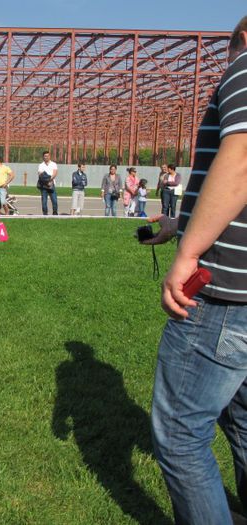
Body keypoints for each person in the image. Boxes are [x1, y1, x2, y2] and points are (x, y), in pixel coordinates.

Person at [150, 18, 247, 525]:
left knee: (181, 436)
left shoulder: (246, 64)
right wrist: (178, 224)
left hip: (223, 296)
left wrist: (188, 253)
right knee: (246, 423)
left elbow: (243, 160)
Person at [37, 151, 58, 215]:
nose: (46, 157)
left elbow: (55, 173)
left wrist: (49, 180)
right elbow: (40, 174)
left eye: (48, 156)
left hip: (51, 184)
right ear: (43, 157)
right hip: (43, 185)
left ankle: (55, 212)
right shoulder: (41, 165)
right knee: (44, 201)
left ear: (50, 156)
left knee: (54, 200)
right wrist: (46, 181)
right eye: (45, 156)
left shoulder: (54, 164)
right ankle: (45, 214)